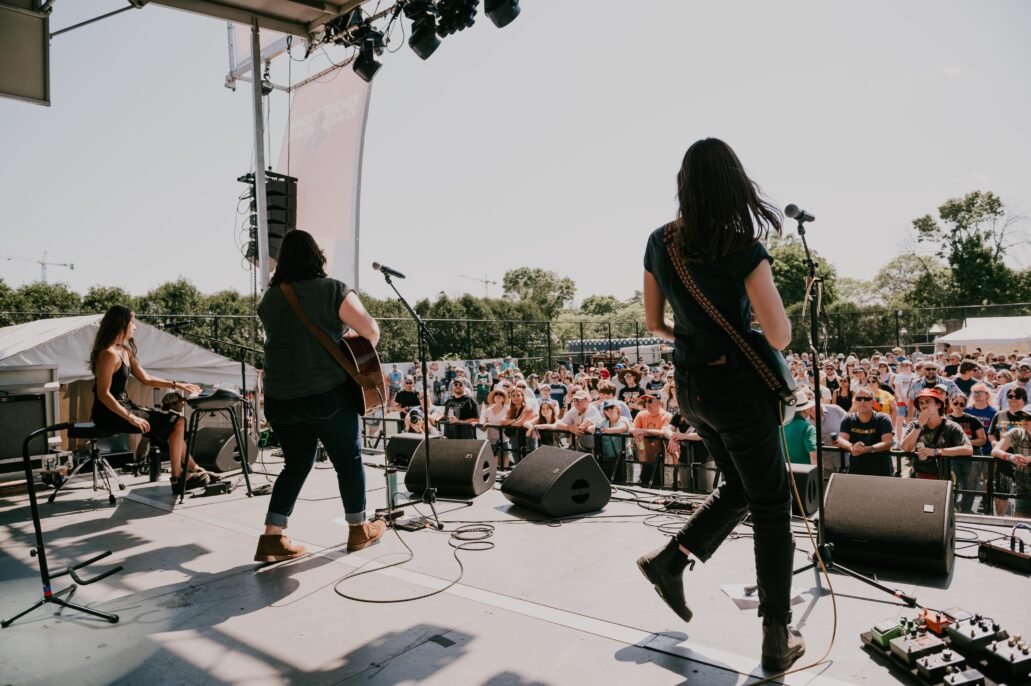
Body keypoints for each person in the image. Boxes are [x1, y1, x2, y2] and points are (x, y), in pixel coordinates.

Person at [634, 138, 803, 671]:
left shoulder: (660, 241)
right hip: (736, 393)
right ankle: (778, 637)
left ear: (685, 185)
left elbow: (653, 323)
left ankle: (669, 560)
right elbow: (778, 337)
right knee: (772, 505)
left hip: (690, 388)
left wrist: (692, 335)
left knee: (738, 487)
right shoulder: (741, 246)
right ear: (736, 182)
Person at [254, 230, 385, 563]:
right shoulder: (332, 289)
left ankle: (272, 537)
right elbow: (370, 331)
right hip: (326, 394)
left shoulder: (269, 298)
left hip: (280, 399)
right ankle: (358, 529)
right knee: (348, 460)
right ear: (317, 256)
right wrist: (344, 340)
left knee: (295, 464)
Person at [88, 305, 207, 492]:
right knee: (176, 422)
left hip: (125, 406)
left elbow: (147, 379)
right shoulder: (108, 353)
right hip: (108, 412)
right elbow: (103, 394)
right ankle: (179, 477)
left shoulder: (125, 352)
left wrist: (178, 385)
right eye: (132, 323)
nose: (135, 327)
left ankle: (194, 471)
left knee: (177, 422)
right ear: (121, 325)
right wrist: (130, 416)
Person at [899, 387, 972, 480]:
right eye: (921, 403)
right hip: (919, 476)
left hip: (944, 477)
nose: (924, 405)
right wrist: (919, 425)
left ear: (938, 405)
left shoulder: (951, 426)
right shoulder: (914, 424)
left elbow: (968, 449)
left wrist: (936, 452)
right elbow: (906, 448)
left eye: (927, 401)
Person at [834, 387, 895, 477]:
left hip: (881, 470)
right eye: (859, 399)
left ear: (873, 402)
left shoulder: (883, 418)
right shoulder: (848, 419)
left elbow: (887, 443)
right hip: (856, 470)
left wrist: (867, 449)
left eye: (866, 399)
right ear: (854, 402)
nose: (862, 401)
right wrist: (851, 447)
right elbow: (840, 439)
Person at [946, 392, 988, 512]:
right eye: (956, 403)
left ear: (965, 405)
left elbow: (982, 439)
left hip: (971, 457)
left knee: (970, 486)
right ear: (951, 403)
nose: (958, 406)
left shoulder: (972, 420)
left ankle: (966, 512)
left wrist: (966, 444)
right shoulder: (946, 420)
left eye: (962, 404)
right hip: (953, 457)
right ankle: (950, 511)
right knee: (952, 485)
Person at [990, 409, 1031, 517]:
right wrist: (1011, 457)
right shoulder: (1016, 432)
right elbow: (995, 451)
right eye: (1022, 418)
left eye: (1028, 418)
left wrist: (1028, 459)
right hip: (1023, 487)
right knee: (1019, 526)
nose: (1024, 421)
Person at [631, 393, 673, 486]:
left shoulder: (667, 416)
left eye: (650, 401)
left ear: (659, 402)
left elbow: (664, 432)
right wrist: (638, 432)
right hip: (646, 459)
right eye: (645, 401)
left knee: (663, 487)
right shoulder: (641, 414)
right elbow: (631, 428)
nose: (647, 404)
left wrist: (643, 431)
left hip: (664, 460)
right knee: (645, 486)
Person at [597, 399, 632, 479]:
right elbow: (593, 428)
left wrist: (605, 430)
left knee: (625, 484)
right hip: (608, 460)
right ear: (604, 411)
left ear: (617, 408)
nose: (609, 410)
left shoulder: (624, 419)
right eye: (606, 408)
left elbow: (622, 428)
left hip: (624, 459)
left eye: (611, 407)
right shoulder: (603, 422)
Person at [783, 389, 817, 466]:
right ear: (804, 410)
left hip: (785, 472)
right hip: (805, 473)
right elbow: (814, 457)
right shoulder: (808, 428)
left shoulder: (781, 426)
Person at [479, 389, 509, 466]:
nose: (498, 396)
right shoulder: (488, 410)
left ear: (503, 398)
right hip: (491, 440)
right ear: (493, 397)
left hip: (503, 439)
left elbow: (507, 424)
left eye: (501, 394)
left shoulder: (507, 409)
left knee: (505, 458)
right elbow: (484, 428)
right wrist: (477, 425)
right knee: (492, 462)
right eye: (496, 394)